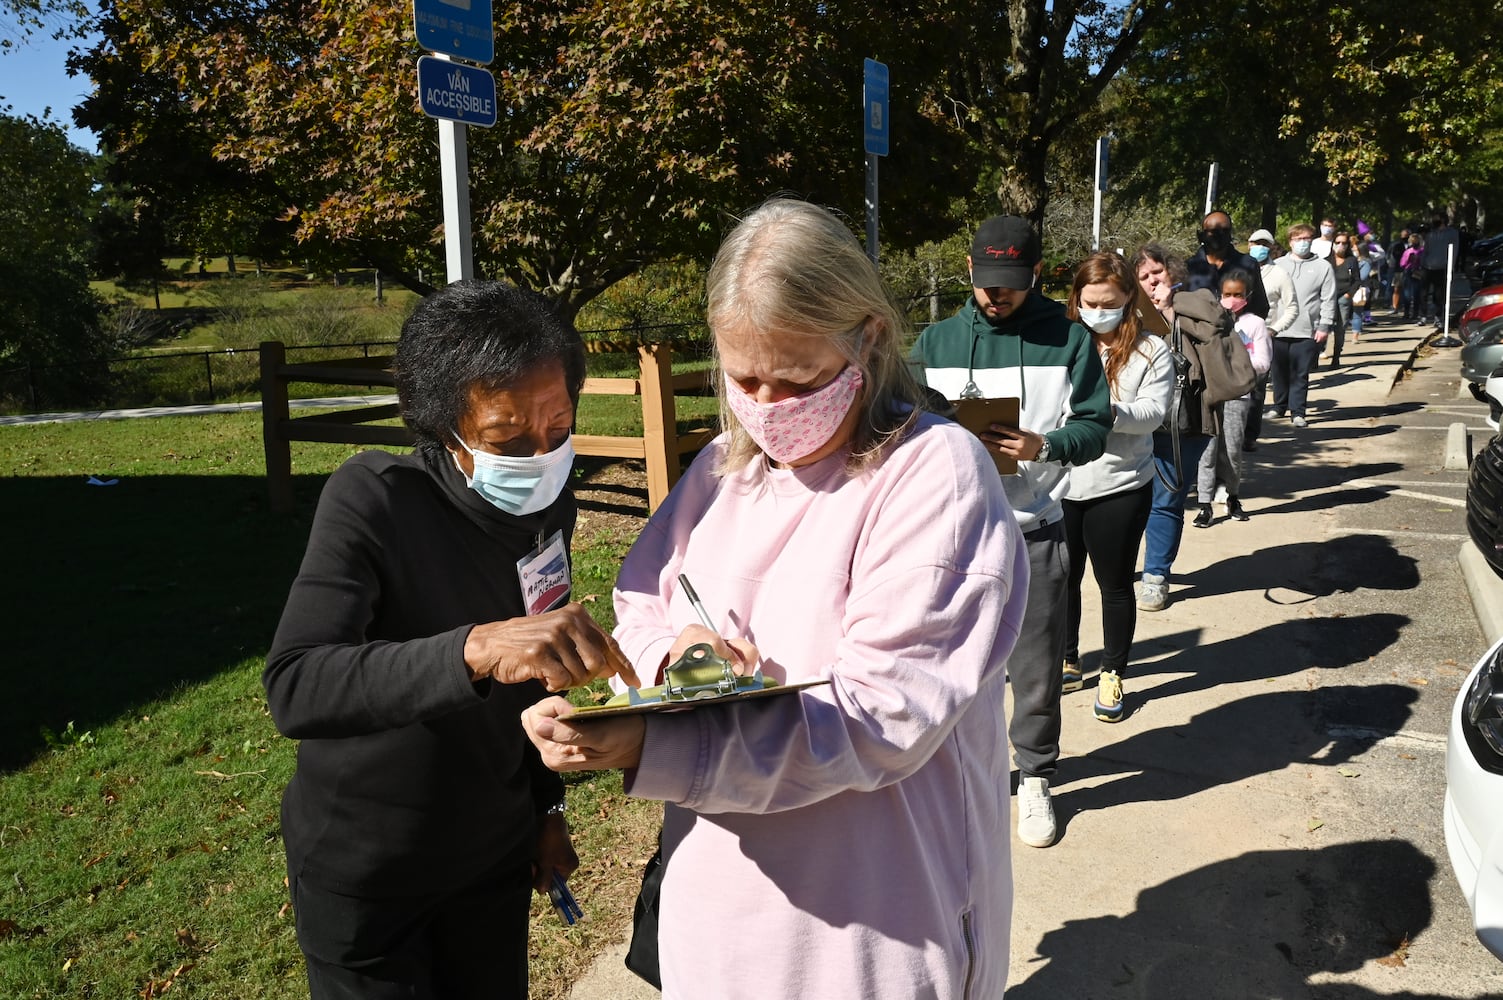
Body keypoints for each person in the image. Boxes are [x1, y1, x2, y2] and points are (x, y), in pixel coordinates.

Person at [520, 199, 1027, 998]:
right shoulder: (726, 464)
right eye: (742, 377)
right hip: (719, 909)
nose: (766, 407)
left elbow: (880, 720)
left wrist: (649, 749)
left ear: (867, 337)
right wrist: (680, 652)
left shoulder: (934, 474)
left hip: (873, 923)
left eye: (796, 380)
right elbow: (644, 599)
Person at [262, 280, 642, 999]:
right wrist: (472, 648)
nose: (538, 456)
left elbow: (531, 682)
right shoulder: (373, 499)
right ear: (443, 427)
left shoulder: (547, 505)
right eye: (506, 439)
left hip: (490, 857)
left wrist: (544, 809)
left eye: (558, 429)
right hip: (375, 871)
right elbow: (297, 684)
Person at [909, 214, 1112, 847]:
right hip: (948, 539)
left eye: (1012, 284)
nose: (998, 296)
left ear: (1036, 276)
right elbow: (900, 424)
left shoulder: (1069, 339)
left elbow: (1096, 426)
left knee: (1035, 669)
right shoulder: (935, 343)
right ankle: (956, 777)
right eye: (988, 283)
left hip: (1033, 530)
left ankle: (1035, 778)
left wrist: (1042, 443)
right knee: (943, 668)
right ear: (969, 271)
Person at [1060, 252, 1172, 723]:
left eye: (1109, 302)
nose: (1097, 311)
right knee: (1061, 580)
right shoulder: (1059, 344)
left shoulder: (1151, 349)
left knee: (1115, 584)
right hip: (1060, 483)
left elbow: (1154, 413)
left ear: (1129, 298)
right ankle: (1067, 658)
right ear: (1077, 300)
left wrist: (1106, 413)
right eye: (1089, 302)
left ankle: (1112, 670)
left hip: (1120, 484)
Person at [1192, 267, 1270, 527]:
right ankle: (1204, 503)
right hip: (1211, 394)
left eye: (1238, 294)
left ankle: (1233, 497)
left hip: (1238, 395)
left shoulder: (1255, 324)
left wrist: (1235, 362)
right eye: (1227, 294)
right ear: (1219, 293)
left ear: (1247, 295)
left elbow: (1262, 361)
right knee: (1208, 450)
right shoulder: (1209, 321)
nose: (1232, 299)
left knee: (1232, 449)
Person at [1272, 223, 1337, 428]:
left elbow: (1328, 299)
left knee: (1300, 373)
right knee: (1278, 371)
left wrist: (1324, 326)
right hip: (1278, 328)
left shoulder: (1323, 267)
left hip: (1307, 330)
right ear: (1290, 241)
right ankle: (1278, 406)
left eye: (1307, 238)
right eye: (1298, 239)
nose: (1302, 243)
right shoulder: (1277, 265)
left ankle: (1298, 412)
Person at [1245, 229, 1298, 450]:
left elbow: (1292, 307)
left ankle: (1249, 436)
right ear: (1248, 245)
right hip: (1234, 335)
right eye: (1256, 243)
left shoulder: (1279, 275)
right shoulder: (1239, 269)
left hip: (1261, 339)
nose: (1260, 247)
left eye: (1265, 244)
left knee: (1256, 390)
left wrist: (1274, 330)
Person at [1186, 209, 1271, 319]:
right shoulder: (1188, 267)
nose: (1219, 235)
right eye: (1214, 231)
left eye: (1224, 231)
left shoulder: (1248, 264)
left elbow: (1259, 306)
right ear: (1201, 235)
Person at [1422, 213, 1462, 326]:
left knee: (1439, 295)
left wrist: (1451, 266)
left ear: (1443, 220)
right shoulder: (1431, 234)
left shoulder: (1452, 233)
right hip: (1428, 267)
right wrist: (1422, 264)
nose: (1434, 221)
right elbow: (1426, 250)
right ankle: (1423, 316)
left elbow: (1454, 250)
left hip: (1442, 268)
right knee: (1423, 293)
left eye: (1436, 219)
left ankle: (1438, 316)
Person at [1329, 231, 1362, 361]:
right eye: (1338, 242)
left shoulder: (1351, 261)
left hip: (1344, 296)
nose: (1341, 245)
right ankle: (1317, 354)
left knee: (1340, 327)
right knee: (1323, 325)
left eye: (1344, 243)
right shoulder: (1327, 260)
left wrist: (1349, 294)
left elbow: (1357, 280)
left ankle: (1336, 355)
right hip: (1328, 297)